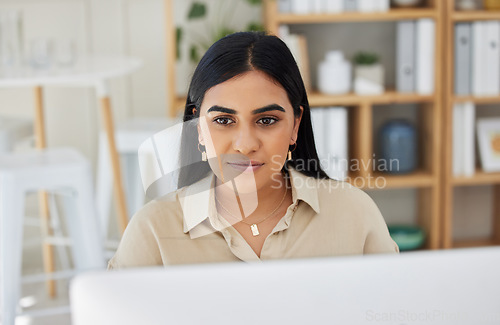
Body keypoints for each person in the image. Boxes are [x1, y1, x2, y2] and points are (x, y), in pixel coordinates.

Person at [108, 31, 398, 269]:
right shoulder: (153, 231)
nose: (245, 144)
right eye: (223, 120)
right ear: (198, 127)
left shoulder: (354, 215)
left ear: (295, 125)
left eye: (267, 120)